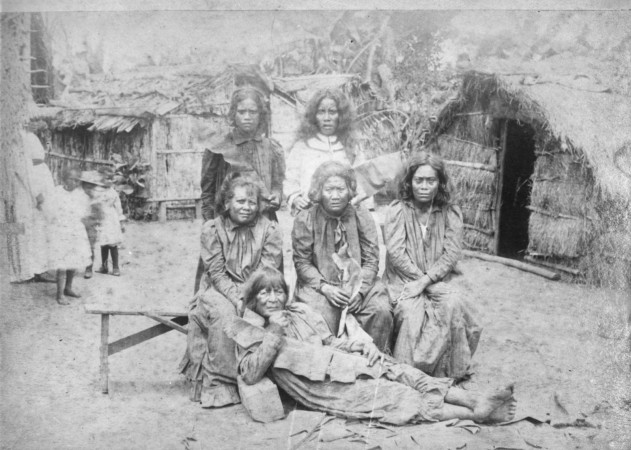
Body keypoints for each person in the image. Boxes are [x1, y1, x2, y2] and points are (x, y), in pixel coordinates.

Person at [228, 267, 516, 426]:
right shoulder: (250, 332)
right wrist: (275, 330)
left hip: (343, 362)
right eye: (264, 292)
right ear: (253, 298)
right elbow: (251, 373)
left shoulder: (301, 312)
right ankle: (474, 414)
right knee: (394, 396)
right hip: (324, 386)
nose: (273, 298)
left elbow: (329, 340)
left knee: (399, 370)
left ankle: (472, 399)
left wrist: (357, 346)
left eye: (278, 291)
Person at [180, 173, 283, 408]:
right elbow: (216, 272)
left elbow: (266, 270)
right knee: (225, 315)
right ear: (227, 203)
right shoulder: (212, 229)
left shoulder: (270, 230)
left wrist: (246, 296)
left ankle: (257, 374)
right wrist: (235, 296)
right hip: (218, 289)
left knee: (270, 318)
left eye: (252, 202)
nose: (247, 208)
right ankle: (222, 381)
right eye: (240, 202)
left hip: (257, 290)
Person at [384, 152, 482, 380]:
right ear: (409, 182)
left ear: (440, 183)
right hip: (404, 278)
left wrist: (426, 281)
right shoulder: (398, 210)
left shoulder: (450, 212)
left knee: (454, 305)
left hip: (441, 278)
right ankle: (409, 374)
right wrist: (418, 280)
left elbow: (451, 254)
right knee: (410, 313)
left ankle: (448, 373)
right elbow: (396, 253)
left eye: (431, 181)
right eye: (419, 180)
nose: (425, 186)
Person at [292, 161, 393, 351]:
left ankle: (372, 364)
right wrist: (325, 288)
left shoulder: (361, 214)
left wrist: (361, 291)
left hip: (361, 283)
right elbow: (302, 263)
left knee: (381, 311)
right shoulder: (306, 217)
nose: (336, 196)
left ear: (350, 190)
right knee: (321, 317)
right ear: (319, 190)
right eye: (329, 189)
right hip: (319, 285)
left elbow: (371, 259)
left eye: (341, 189)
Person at [193, 86, 286, 293]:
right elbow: (207, 190)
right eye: (241, 112)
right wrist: (210, 223)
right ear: (233, 114)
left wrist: (277, 195)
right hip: (226, 227)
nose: (247, 117)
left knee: (266, 285)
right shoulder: (219, 146)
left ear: (261, 115)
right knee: (218, 284)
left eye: (252, 112)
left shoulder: (272, 148)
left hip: (262, 227)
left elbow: (278, 183)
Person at [284, 88, 366, 214]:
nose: (326, 118)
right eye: (321, 112)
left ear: (341, 115)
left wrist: (358, 202)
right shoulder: (302, 147)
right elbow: (290, 180)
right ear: (313, 116)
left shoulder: (351, 147)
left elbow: (362, 181)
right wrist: (296, 198)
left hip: (346, 214)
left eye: (332, 112)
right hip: (311, 215)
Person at [48, 168, 92, 305]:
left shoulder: (81, 195)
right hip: (61, 231)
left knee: (73, 261)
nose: (75, 182)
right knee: (62, 264)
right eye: (71, 179)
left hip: (76, 231)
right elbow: (50, 211)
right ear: (64, 179)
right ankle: (59, 294)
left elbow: (85, 212)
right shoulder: (56, 192)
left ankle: (68, 288)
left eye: (77, 180)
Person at [23, 130, 56, 283]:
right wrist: (38, 196)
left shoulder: (29, 135)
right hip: (36, 199)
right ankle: (37, 270)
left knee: (42, 232)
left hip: (43, 184)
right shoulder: (24, 139)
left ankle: (40, 268)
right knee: (36, 233)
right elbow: (30, 175)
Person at [93, 177, 125, 277]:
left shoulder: (113, 193)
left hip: (111, 219)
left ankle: (116, 267)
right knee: (103, 243)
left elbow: (119, 208)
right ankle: (104, 266)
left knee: (113, 242)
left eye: (110, 180)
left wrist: (121, 222)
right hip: (101, 218)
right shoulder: (98, 192)